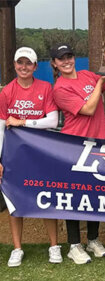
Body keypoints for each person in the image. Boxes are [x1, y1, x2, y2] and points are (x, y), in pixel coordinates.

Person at [50, 43, 105, 264]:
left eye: (69, 56)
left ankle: (93, 239)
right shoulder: (59, 88)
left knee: (94, 195)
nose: (66, 61)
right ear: (55, 64)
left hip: (97, 145)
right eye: (61, 58)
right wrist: (100, 82)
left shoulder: (87, 75)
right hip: (74, 146)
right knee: (74, 196)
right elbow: (88, 109)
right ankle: (74, 245)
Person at [0, 47, 62, 267]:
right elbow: (1, 128)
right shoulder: (6, 92)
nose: (24, 67)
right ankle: (17, 248)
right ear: (15, 64)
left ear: (36, 66)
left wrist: (23, 122)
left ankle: (54, 245)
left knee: (46, 197)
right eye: (20, 63)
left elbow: (52, 121)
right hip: (14, 156)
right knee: (14, 200)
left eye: (28, 63)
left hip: (41, 153)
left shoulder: (45, 88)